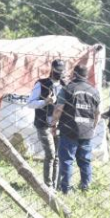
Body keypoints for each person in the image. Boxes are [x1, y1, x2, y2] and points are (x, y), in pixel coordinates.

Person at [51, 64, 100, 194]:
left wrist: (53, 125)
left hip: (69, 130)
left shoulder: (68, 89)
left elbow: (58, 109)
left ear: (74, 74)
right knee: (85, 161)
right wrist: (93, 127)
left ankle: (66, 189)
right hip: (87, 131)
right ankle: (86, 187)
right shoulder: (94, 91)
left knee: (67, 161)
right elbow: (98, 113)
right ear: (86, 75)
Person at [26, 59, 66, 189]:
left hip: (59, 125)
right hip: (44, 124)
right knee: (50, 154)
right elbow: (30, 103)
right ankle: (48, 186)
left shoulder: (65, 85)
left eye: (61, 70)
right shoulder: (41, 84)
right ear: (52, 69)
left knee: (57, 156)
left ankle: (55, 185)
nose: (59, 73)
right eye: (57, 70)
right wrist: (45, 102)